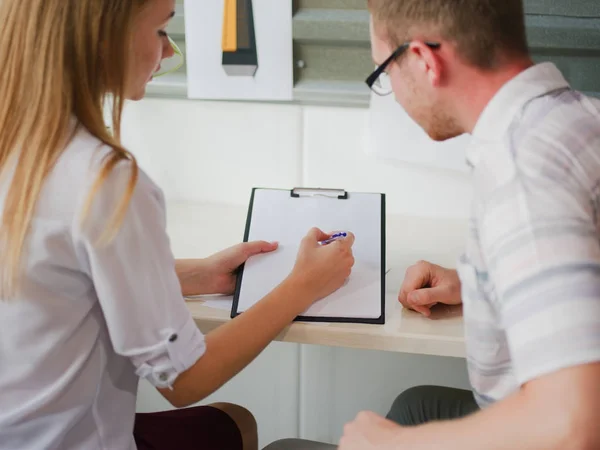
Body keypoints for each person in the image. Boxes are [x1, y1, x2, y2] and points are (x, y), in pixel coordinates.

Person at [0, 1, 355, 450]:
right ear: (103, 40)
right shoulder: (103, 181)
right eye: (161, 32)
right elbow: (184, 380)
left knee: (229, 423)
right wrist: (301, 287)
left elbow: (45, 282)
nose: (168, 54)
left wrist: (193, 275)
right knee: (232, 422)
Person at [338, 0, 600, 448]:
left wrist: (390, 447)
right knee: (414, 405)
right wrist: (483, 281)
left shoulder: (522, 173)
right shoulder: (580, 117)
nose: (394, 92)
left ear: (423, 61)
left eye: (385, 71)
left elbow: (571, 423)